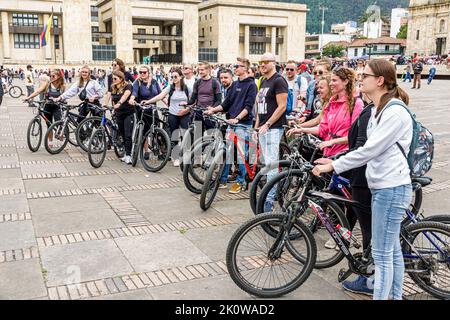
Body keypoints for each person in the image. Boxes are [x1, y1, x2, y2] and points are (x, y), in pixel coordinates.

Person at [313, 59, 413, 300]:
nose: (360, 78)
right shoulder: (379, 109)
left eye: (365, 75)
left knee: (382, 255)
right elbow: (365, 148)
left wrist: (333, 165)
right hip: (383, 187)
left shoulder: (395, 112)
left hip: (391, 188)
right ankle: (396, 297)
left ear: (380, 81)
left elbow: (369, 150)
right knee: (392, 252)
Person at [205, 57, 257, 193]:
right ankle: (222, 180)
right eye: (235, 66)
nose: (236, 68)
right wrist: (213, 110)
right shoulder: (234, 85)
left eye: (238, 66)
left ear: (245, 68)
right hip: (231, 124)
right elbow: (226, 103)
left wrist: (238, 118)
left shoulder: (251, 85)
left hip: (243, 124)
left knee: (241, 155)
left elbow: (248, 106)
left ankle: (242, 183)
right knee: (227, 153)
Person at [254, 53, 288, 212]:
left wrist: (267, 124)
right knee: (267, 163)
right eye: (260, 62)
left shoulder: (279, 81)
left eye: (265, 62)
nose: (262, 65)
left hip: (274, 127)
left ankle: (269, 201)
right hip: (263, 127)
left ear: (274, 63)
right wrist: (257, 125)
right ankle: (268, 195)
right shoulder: (263, 81)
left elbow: (282, 106)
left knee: (272, 165)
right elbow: (260, 106)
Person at [147, 68, 190, 167]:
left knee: (185, 136)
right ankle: (175, 157)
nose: (174, 79)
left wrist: (186, 109)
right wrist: (148, 101)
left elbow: (193, 101)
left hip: (185, 114)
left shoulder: (187, 88)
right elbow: (160, 96)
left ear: (181, 77)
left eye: (176, 77)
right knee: (174, 136)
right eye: (172, 77)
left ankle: (185, 156)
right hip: (173, 114)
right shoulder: (170, 88)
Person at [129, 65, 162, 162]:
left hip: (153, 110)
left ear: (149, 73)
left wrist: (167, 103)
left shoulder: (154, 82)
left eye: (144, 72)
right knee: (144, 132)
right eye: (140, 72)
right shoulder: (137, 83)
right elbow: (134, 93)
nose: (142, 74)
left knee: (156, 131)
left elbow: (160, 94)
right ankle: (146, 151)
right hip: (142, 110)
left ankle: (159, 150)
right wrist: (131, 99)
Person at [23, 69, 66, 145]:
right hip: (47, 106)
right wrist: (28, 97)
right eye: (50, 75)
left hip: (57, 107)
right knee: (49, 125)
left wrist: (63, 101)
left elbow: (64, 96)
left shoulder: (62, 85)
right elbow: (38, 91)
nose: (51, 77)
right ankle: (50, 141)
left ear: (58, 76)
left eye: (53, 76)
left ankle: (63, 140)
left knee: (58, 123)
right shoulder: (47, 84)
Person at [185, 61, 222, 131]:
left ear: (208, 70)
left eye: (202, 70)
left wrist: (212, 108)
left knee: (210, 137)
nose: (200, 72)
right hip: (199, 112)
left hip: (210, 113)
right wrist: (186, 103)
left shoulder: (215, 82)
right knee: (198, 135)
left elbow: (219, 100)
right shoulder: (197, 82)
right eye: (199, 70)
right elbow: (193, 99)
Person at [107, 71, 135, 165]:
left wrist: (119, 103)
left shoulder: (128, 86)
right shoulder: (113, 87)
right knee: (122, 134)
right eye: (112, 79)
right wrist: (106, 104)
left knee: (128, 135)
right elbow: (111, 97)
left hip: (128, 113)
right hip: (119, 114)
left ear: (121, 78)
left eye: (115, 78)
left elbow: (125, 95)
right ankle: (125, 153)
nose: (113, 80)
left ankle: (128, 155)